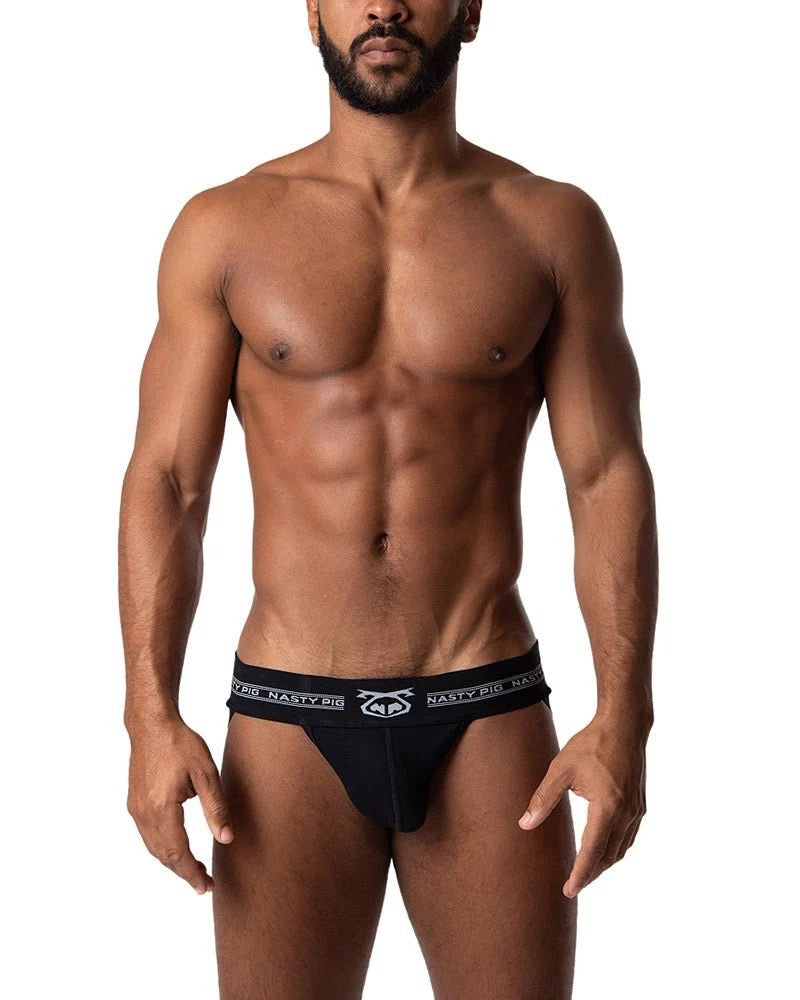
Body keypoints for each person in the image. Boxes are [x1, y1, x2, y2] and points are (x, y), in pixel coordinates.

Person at [118, 2, 658, 997]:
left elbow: (604, 475)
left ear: (470, 9)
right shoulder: (226, 227)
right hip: (288, 716)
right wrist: (148, 717)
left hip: (483, 703)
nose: (383, 6)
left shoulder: (548, 226)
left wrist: (625, 714)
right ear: (310, 12)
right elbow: (168, 481)